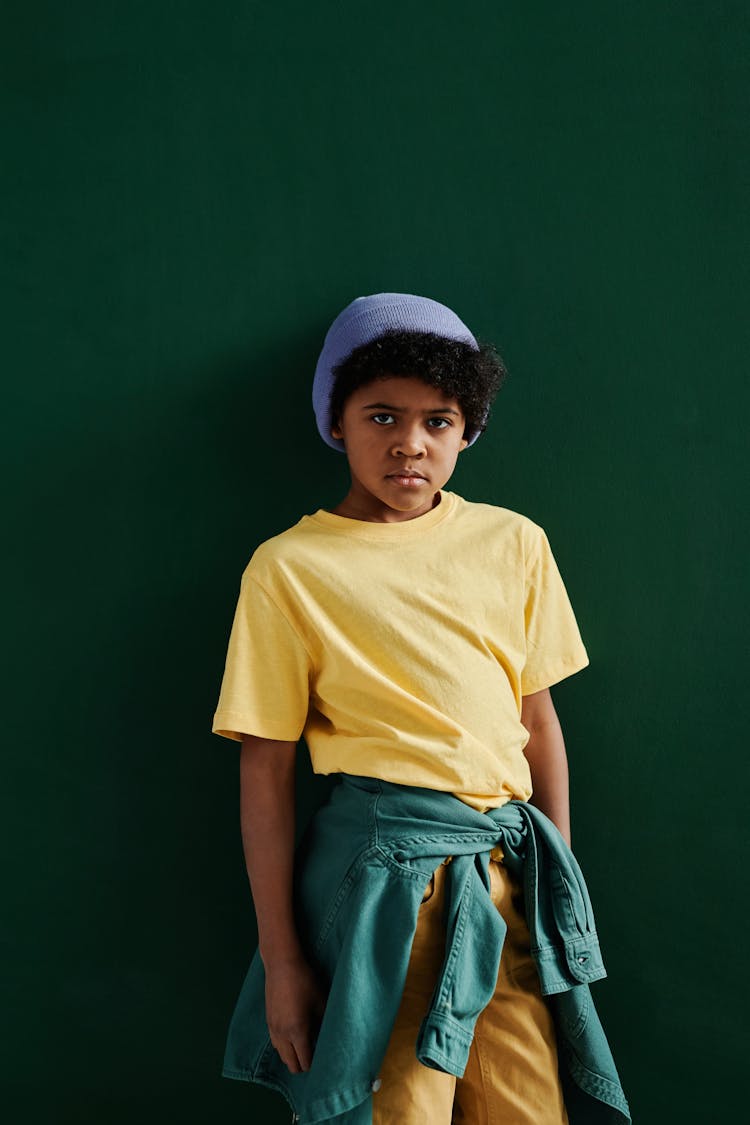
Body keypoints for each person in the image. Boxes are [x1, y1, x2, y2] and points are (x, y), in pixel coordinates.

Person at [212, 293, 630, 1124]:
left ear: (468, 428)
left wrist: (557, 888)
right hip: (382, 889)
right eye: (382, 415)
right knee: (401, 1106)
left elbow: (536, 720)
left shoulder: (514, 543)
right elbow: (265, 767)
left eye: (439, 421)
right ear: (337, 421)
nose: (411, 443)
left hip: (510, 876)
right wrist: (282, 958)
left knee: (527, 1106)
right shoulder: (289, 568)